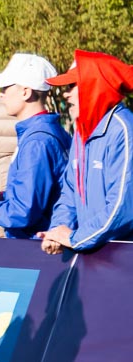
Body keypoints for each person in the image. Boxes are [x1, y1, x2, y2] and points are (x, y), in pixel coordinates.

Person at [0, 53, 71, 238]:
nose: (0, 94)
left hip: (35, 248)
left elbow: (23, 213)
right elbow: (35, 201)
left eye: (5, 88)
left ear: (25, 92)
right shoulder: (44, 134)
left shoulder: (36, 142)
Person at [43, 51, 133, 253]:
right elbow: (69, 192)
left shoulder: (124, 130)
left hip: (123, 258)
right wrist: (57, 231)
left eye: (72, 85)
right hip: (91, 252)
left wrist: (74, 238)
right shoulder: (81, 131)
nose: (65, 94)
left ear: (95, 86)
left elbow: (122, 208)